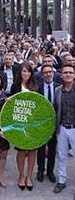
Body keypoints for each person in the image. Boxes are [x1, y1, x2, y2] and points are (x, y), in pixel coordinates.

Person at [11, 62, 38, 191]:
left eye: (28, 71)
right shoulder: (15, 86)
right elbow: (12, 105)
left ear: (31, 73)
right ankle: (21, 175)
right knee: (21, 150)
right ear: (20, 73)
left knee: (32, 150)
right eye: (24, 71)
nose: (26, 73)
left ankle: (29, 177)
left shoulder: (36, 86)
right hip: (19, 124)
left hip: (33, 124)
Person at [53, 65, 75, 194]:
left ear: (74, 75)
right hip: (62, 128)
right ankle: (61, 181)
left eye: (70, 72)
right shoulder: (57, 90)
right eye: (65, 72)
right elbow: (55, 109)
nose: (68, 74)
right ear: (61, 75)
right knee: (61, 156)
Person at [36, 65, 59, 183]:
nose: (48, 74)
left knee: (52, 148)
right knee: (40, 148)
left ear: (53, 73)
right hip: (41, 124)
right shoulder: (37, 88)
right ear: (42, 74)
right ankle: (40, 170)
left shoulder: (58, 88)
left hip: (54, 124)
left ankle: (50, 171)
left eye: (50, 72)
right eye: (45, 72)